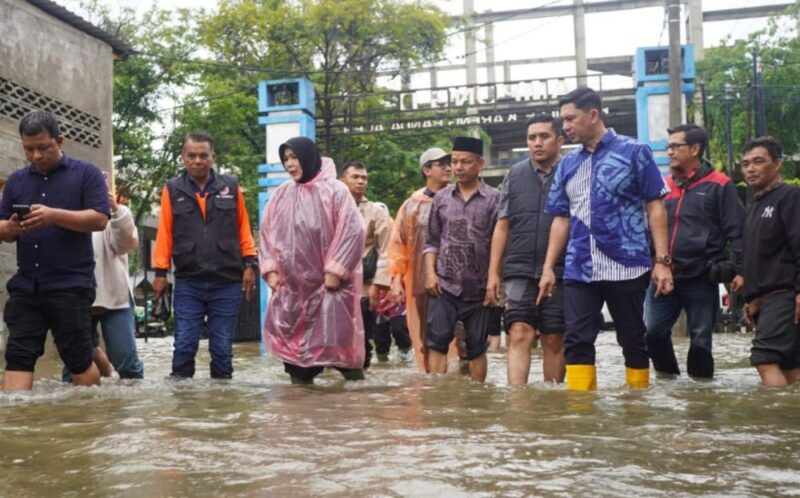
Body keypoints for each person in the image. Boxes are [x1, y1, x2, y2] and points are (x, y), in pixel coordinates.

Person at [537, 87, 673, 391]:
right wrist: (548, 268)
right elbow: (561, 217)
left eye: (570, 119)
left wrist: (662, 261)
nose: (566, 126)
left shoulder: (635, 152)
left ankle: (637, 408)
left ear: (593, 114)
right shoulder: (567, 166)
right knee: (577, 339)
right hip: (579, 266)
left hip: (626, 263)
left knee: (632, 338)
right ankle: (582, 413)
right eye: (563, 120)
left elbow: (655, 206)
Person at [0, 111, 109, 391]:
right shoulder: (16, 181)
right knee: (18, 356)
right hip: (26, 286)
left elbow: (99, 219)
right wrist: (10, 228)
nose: (35, 156)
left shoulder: (87, 174)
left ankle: (89, 427)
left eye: (43, 148)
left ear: (59, 141)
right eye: (29, 149)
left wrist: (53, 216)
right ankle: (18, 426)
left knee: (78, 357)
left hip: (71, 284)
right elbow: (2, 227)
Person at [260, 137, 366, 384]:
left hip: (331, 289)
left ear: (307, 157)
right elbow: (266, 234)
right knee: (297, 364)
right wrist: (271, 271)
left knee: (343, 356)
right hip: (293, 291)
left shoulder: (336, 191)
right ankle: (301, 417)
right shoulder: (281, 195)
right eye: (286, 158)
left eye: (294, 157)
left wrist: (336, 270)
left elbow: (353, 231)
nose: (290, 164)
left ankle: (356, 414)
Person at [152, 131, 257, 380]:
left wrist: (250, 264)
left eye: (203, 155)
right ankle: (183, 408)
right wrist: (160, 272)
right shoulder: (172, 189)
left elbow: (244, 227)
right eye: (192, 156)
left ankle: (220, 409)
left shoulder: (230, 186)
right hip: (189, 282)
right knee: (185, 346)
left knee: (222, 350)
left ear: (213, 157)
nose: (197, 161)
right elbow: (164, 232)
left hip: (227, 282)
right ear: (183, 158)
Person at [645, 124, 745, 380]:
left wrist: (739, 269)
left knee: (701, 341)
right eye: (668, 146)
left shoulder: (719, 184)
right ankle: (670, 385)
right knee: (653, 333)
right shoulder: (662, 186)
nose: (670, 152)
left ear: (695, 148)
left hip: (702, 276)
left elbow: (737, 231)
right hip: (663, 275)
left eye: (675, 146)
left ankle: (701, 396)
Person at [487, 113, 566, 385]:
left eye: (544, 136)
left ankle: (552, 407)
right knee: (518, 331)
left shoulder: (572, 170)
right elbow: (502, 224)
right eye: (532, 138)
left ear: (559, 140)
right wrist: (493, 274)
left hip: (561, 269)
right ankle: (517, 404)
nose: (537, 143)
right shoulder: (515, 174)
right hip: (518, 268)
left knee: (554, 336)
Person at [424, 136, 501, 382]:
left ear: (480, 163)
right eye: (454, 161)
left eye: (465, 162)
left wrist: (494, 280)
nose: (457, 167)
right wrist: (430, 273)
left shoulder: (495, 199)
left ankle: (478, 399)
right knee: (436, 342)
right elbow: (431, 240)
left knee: (478, 346)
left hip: (479, 287)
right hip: (444, 284)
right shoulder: (441, 198)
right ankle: (437, 394)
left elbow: (500, 244)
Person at [63, 181, 145, 381]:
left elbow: (127, 244)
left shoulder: (115, 214)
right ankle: (74, 407)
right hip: (75, 296)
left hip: (114, 296)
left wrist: (115, 210)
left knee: (125, 359)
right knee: (74, 363)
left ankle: (134, 404)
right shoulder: (64, 214)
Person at [740, 137, 800, 387]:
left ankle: (772, 422)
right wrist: (750, 299)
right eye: (745, 163)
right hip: (764, 299)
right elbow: (756, 256)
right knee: (791, 368)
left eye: (758, 161)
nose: (750, 169)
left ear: (777, 164)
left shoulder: (790, 196)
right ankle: (789, 422)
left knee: (765, 359)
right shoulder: (755, 203)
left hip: (785, 294)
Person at [387, 147, 453, 372]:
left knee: (462, 339)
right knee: (427, 336)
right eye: (440, 164)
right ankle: (430, 385)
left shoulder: (459, 197)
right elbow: (398, 243)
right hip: (421, 282)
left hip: (456, 281)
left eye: (448, 163)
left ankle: (460, 386)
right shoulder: (411, 205)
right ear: (426, 170)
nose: (448, 168)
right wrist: (396, 280)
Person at [340, 161, 393, 369]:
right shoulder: (330, 209)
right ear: (342, 180)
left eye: (364, 178)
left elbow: (387, 249)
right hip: (335, 285)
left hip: (364, 286)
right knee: (335, 338)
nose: (361, 182)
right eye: (355, 177)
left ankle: (360, 385)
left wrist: (378, 285)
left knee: (362, 340)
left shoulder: (376, 212)